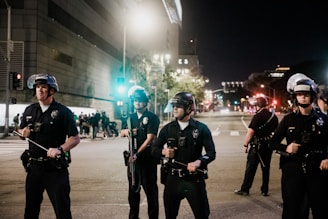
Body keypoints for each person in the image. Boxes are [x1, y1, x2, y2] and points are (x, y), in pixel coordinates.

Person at [17, 73, 80, 219]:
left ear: (51, 90)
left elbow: (75, 138)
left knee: (62, 211)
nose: (39, 90)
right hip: (33, 168)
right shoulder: (30, 110)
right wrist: (23, 132)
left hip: (55, 170)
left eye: (43, 87)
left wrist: (60, 149)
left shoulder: (63, 112)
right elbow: (20, 131)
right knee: (30, 210)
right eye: (37, 87)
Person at [269, 73, 328, 219]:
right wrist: (286, 148)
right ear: (295, 97)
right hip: (293, 170)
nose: (303, 97)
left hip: (317, 170)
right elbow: (272, 143)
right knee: (292, 210)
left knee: (321, 209)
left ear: (312, 96)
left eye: (306, 94)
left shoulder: (323, 119)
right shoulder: (288, 120)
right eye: (299, 94)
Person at [151, 92, 216, 219]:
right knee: (170, 215)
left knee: (202, 215)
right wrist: (163, 152)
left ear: (188, 109)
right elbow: (154, 150)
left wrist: (199, 162)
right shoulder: (167, 129)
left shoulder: (201, 129)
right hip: (172, 180)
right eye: (174, 105)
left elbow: (211, 153)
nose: (175, 109)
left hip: (194, 180)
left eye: (179, 106)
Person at [120, 86, 160, 219]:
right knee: (133, 193)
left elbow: (150, 138)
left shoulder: (152, 117)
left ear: (145, 102)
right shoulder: (130, 118)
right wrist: (125, 132)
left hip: (147, 161)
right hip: (133, 162)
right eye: (135, 100)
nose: (137, 103)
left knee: (151, 193)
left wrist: (137, 153)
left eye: (140, 100)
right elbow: (122, 132)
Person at [234, 96, 278, 196]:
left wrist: (245, 145)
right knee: (266, 168)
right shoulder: (273, 116)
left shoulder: (258, 116)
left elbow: (250, 132)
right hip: (268, 145)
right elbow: (276, 132)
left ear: (258, 106)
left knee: (251, 168)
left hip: (257, 146)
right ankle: (264, 189)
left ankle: (245, 189)